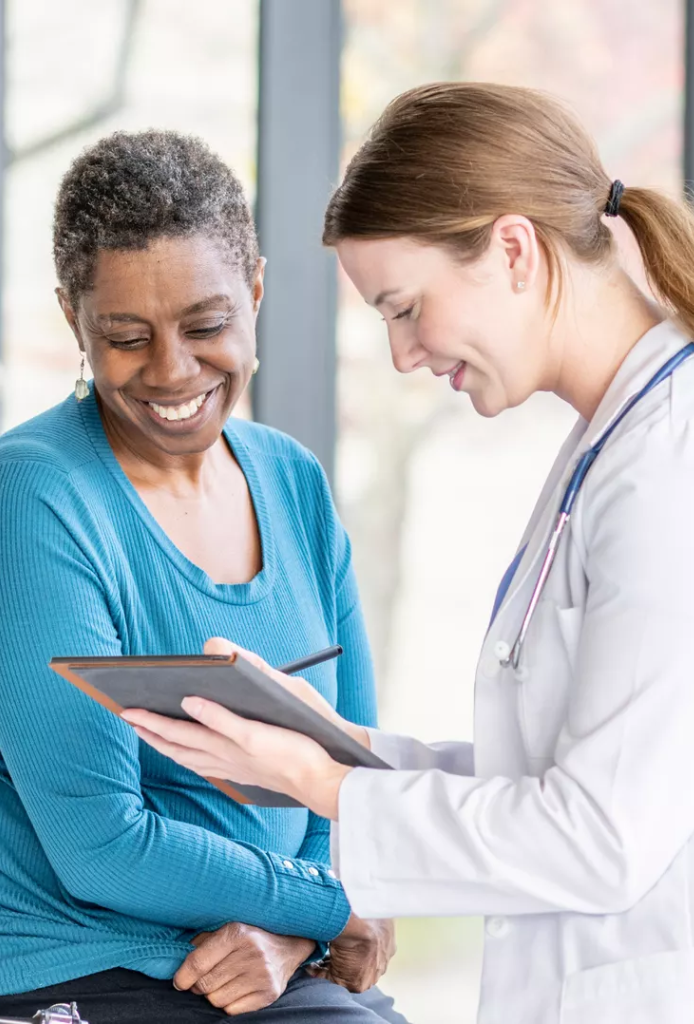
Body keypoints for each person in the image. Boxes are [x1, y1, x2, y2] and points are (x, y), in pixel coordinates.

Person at [121, 84, 694, 1024]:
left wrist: (325, 784)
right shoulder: (609, 445)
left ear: (514, 249)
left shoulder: (668, 464)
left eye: (404, 307)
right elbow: (548, 774)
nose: (402, 354)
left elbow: (597, 839)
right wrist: (335, 748)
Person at [0, 130, 407, 1024]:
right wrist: (332, 910)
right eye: (125, 336)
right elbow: (100, 845)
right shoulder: (30, 499)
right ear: (74, 318)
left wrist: (295, 934)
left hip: (256, 958)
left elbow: (349, 769)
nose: (173, 370)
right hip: (45, 958)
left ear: (256, 290)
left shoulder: (293, 483)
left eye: (207, 325)